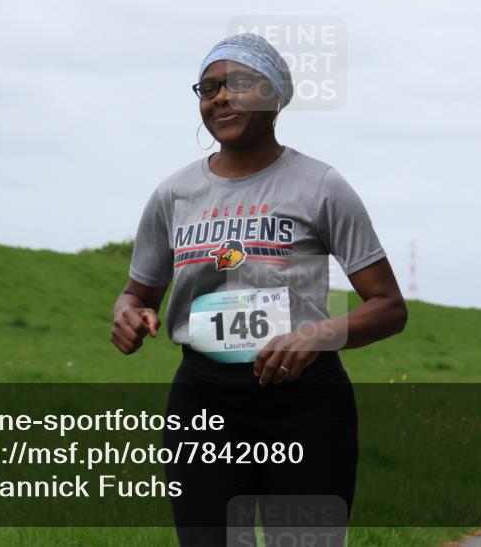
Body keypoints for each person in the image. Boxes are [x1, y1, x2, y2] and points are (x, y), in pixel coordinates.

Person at [110, 33, 408, 546]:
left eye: (238, 84)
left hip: (305, 407)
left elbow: (389, 307)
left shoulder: (321, 186)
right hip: (202, 404)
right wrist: (129, 314)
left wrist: (317, 336)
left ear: (273, 96)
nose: (220, 97)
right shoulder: (174, 195)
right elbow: (136, 295)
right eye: (209, 88)